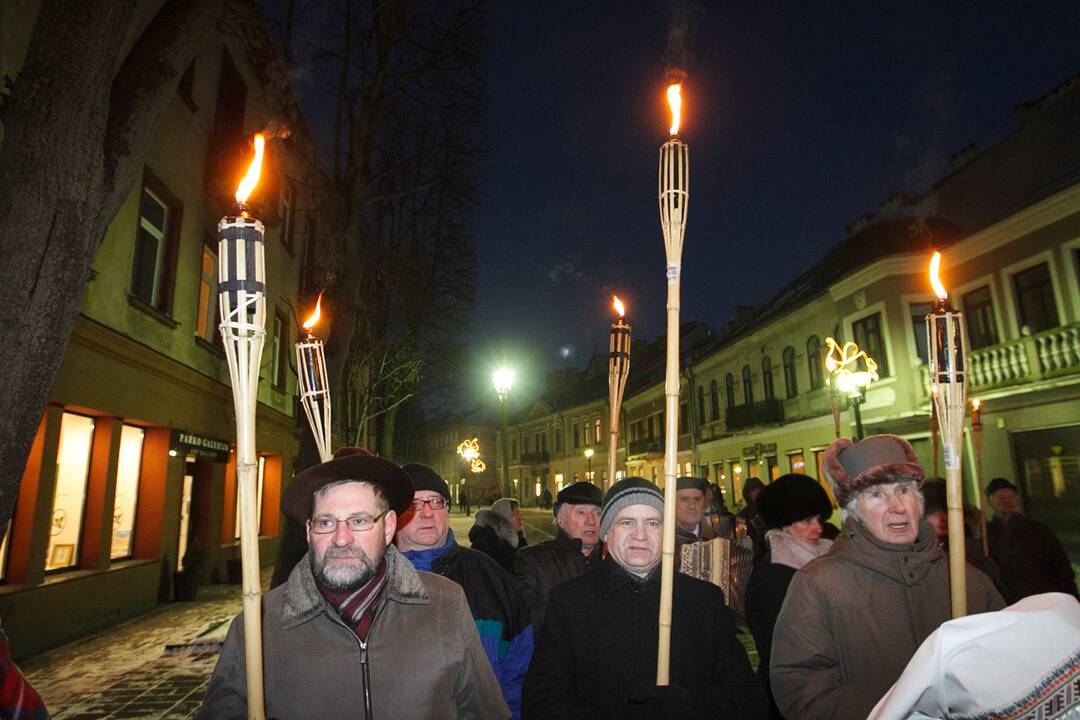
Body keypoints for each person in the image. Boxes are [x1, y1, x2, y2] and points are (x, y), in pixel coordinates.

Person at [199, 450, 510, 720]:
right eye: (326, 522)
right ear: (309, 532)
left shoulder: (445, 604)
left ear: (388, 526)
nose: (341, 538)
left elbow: (482, 710)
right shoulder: (259, 625)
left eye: (359, 521)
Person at [769, 435, 1005, 720]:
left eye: (904, 490)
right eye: (877, 494)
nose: (897, 506)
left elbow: (1004, 661)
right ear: (854, 513)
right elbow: (802, 688)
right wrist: (895, 714)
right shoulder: (819, 584)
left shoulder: (966, 578)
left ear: (918, 502)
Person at [523, 477, 769, 719]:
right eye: (627, 522)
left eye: (652, 523)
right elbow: (543, 699)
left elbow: (747, 697)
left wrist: (693, 707)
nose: (640, 535)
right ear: (607, 533)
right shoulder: (570, 602)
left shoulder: (703, 600)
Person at [395, 464, 532, 719]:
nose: (426, 512)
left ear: (446, 510)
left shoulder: (488, 573)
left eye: (436, 501)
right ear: (393, 515)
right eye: (414, 503)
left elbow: (520, 664)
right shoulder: (375, 582)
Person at [744, 474, 834, 719]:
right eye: (806, 520)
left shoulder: (831, 553)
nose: (817, 527)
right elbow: (778, 650)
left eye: (819, 518)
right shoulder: (771, 578)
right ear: (784, 523)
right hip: (793, 700)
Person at [510, 481, 604, 628]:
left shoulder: (612, 562)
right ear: (560, 519)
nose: (591, 521)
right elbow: (526, 621)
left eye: (597, 513)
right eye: (581, 512)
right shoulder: (533, 561)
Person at [985, 477, 1078, 604]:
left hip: (1041, 596)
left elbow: (1061, 567)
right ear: (991, 502)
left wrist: (1071, 597)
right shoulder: (985, 533)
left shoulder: (1037, 530)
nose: (1007, 501)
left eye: (1011, 497)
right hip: (1006, 600)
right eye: (1001, 498)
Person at [921, 478, 1004, 595]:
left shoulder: (975, 543)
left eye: (946, 510)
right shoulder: (917, 551)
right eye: (932, 511)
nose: (942, 517)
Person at [673, 476, 719, 553]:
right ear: (671, 503)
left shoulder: (714, 538)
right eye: (685, 499)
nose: (692, 506)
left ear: (703, 502)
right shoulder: (662, 540)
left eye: (697, 499)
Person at [468, 505, 519, 571]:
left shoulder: (510, 540)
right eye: (516, 514)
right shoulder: (493, 545)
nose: (521, 518)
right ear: (506, 517)